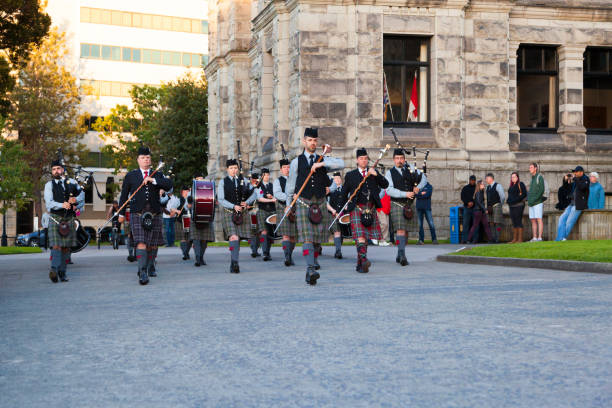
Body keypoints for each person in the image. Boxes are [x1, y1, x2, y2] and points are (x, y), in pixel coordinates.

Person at [285, 127, 344, 285]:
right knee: (307, 238)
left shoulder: (322, 159)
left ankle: (312, 264)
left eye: (315, 140)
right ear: (304, 141)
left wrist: (321, 165)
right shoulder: (297, 161)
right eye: (310, 140)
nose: (312, 143)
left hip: (320, 203)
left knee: (317, 239)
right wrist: (288, 204)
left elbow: (342, 164)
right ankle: (310, 268)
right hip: (303, 202)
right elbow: (290, 186)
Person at [118, 146, 173, 285]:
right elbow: (124, 196)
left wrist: (153, 180)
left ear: (150, 160)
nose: (145, 160)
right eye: (143, 158)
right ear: (138, 160)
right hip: (137, 213)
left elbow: (169, 185)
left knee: (153, 245)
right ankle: (142, 272)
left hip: (154, 213)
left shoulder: (158, 175)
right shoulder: (131, 176)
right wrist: (121, 213)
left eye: (148, 157)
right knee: (141, 242)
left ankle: (150, 266)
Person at [341, 148, 389, 273]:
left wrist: (376, 175)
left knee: (365, 238)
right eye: (361, 158)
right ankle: (364, 260)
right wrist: (339, 209)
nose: (364, 161)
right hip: (357, 208)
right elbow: (343, 192)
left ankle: (360, 265)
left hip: (371, 208)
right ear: (357, 160)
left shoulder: (373, 172)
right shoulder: (350, 175)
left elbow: (386, 185)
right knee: (361, 236)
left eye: (366, 158)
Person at [44, 159, 85, 283]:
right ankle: (54, 270)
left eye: (58, 168)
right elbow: (49, 204)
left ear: (63, 170)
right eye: (54, 169)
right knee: (56, 245)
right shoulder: (49, 185)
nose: (56, 171)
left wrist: (75, 201)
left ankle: (63, 273)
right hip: (55, 218)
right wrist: (62, 205)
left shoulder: (72, 182)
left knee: (66, 247)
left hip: (69, 219)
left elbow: (82, 196)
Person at [384, 148, 427, 266]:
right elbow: (389, 190)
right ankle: (402, 255)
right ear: (393, 160)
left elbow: (423, 178)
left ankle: (399, 253)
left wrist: (419, 187)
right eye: (397, 158)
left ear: (404, 159)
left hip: (409, 205)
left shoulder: (411, 169)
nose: (399, 160)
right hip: (396, 203)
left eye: (401, 158)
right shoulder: (389, 173)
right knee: (400, 230)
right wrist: (405, 193)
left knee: (406, 232)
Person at [218, 159, 257, 273]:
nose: (234, 170)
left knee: (238, 238)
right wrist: (233, 206)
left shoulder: (244, 180)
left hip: (242, 213)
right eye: (231, 168)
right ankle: (235, 263)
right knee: (233, 236)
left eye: (235, 168)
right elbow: (221, 199)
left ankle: (233, 260)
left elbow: (254, 193)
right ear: (227, 170)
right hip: (228, 212)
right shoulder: (223, 182)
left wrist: (247, 202)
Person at [273, 157, 297, 266]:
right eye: (284, 167)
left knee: (293, 236)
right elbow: (277, 194)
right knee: (286, 235)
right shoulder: (277, 181)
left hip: (295, 209)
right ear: (281, 169)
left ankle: (290, 255)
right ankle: (287, 257)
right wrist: (290, 197)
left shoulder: (296, 180)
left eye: (289, 167)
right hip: (283, 209)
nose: (287, 169)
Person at [556, 166, 590, 241]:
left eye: (576, 171)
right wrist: (566, 180)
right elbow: (566, 189)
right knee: (561, 219)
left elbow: (582, 187)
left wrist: (575, 179)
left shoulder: (586, 179)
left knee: (569, 222)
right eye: (574, 172)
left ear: (581, 172)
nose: (574, 173)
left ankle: (562, 238)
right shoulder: (575, 181)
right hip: (571, 204)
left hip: (578, 205)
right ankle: (559, 239)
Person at [188, 178, 215, 267]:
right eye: (198, 179)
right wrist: (190, 205)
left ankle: (201, 257)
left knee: (204, 240)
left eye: (201, 178)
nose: (200, 180)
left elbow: (214, 201)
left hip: (207, 217)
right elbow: (187, 205)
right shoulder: (191, 191)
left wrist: (215, 203)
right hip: (195, 217)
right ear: (195, 180)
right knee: (196, 239)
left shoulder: (210, 189)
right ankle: (197, 258)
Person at [255, 168, 276, 261]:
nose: (266, 177)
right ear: (261, 176)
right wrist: (271, 199)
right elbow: (259, 199)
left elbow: (277, 196)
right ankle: (264, 253)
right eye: (264, 175)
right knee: (264, 232)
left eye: (268, 175)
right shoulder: (258, 186)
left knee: (270, 233)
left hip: (272, 211)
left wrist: (273, 197)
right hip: (262, 210)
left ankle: (268, 252)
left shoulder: (272, 185)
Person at [327, 172, 346, 259]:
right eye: (335, 179)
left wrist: (346, 207)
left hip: (343, 214)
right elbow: (326, 202)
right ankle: (338, 252)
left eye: (339, 178)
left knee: (341, 232)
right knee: (337, 231)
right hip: (332, 213)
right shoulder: (330, 191)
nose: (337, 180)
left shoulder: (345, 190)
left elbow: (349, 200)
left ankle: (338, 248)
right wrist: (333, 211)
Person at [506, 172, 527, 243]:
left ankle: (520, 239)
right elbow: (510, 196)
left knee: (518, 221)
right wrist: (508, 201)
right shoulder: (511, 186)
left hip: (519, 206)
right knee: (514, 222)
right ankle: (514, 239)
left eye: (514, 177)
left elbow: (524, 194)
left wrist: (515, 200)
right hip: (511, 206)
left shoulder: (520, 184)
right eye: (512, 177)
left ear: (517, 178)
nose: (513, 178)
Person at [527, 163, 545, 242]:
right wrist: (530, 200)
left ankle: (539, 237)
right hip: (531, 203)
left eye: (531, 167)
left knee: (539, 219)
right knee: (533, 220)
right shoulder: (532, 178)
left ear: (535, 168)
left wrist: (534, 199)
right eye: (529, 167)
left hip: (537, 202)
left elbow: (541, 190)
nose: (529, 169)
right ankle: (534, 237)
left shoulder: (539, 177)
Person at [485, 173, 505, 243]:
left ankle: (497, 239)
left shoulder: (498, 186)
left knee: (497, 223)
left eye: (487, 179)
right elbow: (487, 199)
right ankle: (492, 238)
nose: (486, 180)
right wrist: (487, 208)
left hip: (497, 206)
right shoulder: (487, 187)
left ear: (491, 178)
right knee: (491, 223)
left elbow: (502, 197)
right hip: (490, 208)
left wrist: (500, 204)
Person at [175, 186, 192, 260]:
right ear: (182, 192)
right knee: (183, 238)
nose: (187, 193)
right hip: (181, 220)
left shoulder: (191, 199)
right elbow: (173, 208)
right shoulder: (178, 200)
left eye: (188, 191)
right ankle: (185, 253)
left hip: (189, 219)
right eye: (185, 191)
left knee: (189, 238)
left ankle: (186, 252)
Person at [247, 173, 261, 258]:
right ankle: (254, 250)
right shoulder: (248, 188)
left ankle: (256, 248)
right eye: (254, 179)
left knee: (258, 232)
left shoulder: (259, 188)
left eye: (257, 180)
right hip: (251, 212)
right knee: (253, 231)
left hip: (259, 211)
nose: (256, 181)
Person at [460, 176, 477, 244]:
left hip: (475, 208)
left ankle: (474, 239)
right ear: (469, 180)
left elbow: (479, 198)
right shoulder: (465, 188)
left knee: (475, 225)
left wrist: (473, 203)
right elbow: (462, 197)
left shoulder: (477, 188)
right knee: (465, 224)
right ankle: (464, 239)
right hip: (467, 208)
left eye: (474, 180)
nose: (472, 181)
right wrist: (468, 203)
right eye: (471, 180)